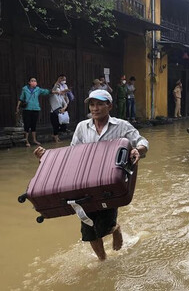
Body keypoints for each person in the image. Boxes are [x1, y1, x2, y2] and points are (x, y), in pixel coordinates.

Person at [34, 90, 149, 261]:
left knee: (106, 223)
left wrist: (137, 150)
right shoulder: (82, 127)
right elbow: (72, 155)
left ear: (109, 106)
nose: (95, 108)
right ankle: (102, 260)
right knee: (88, 229)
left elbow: (142, 141)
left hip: (109, 183)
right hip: (84, 183)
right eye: (92, 104)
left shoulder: (122, 126)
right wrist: (47, 158)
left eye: (100, 104)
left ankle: (115, 228)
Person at [16, 77, 55, 147]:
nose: (34, 82)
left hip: (35, 109)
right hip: (27, 109)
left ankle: (34, 139)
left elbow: (46, 91)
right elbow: (21, 98)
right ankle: (26, 140)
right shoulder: (25, 89)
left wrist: (57, 91)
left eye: (35, 81)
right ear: (29, 82)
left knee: (33, 125)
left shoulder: (38, 89)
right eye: (32, 81)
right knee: (27, 125)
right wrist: (17, 107)